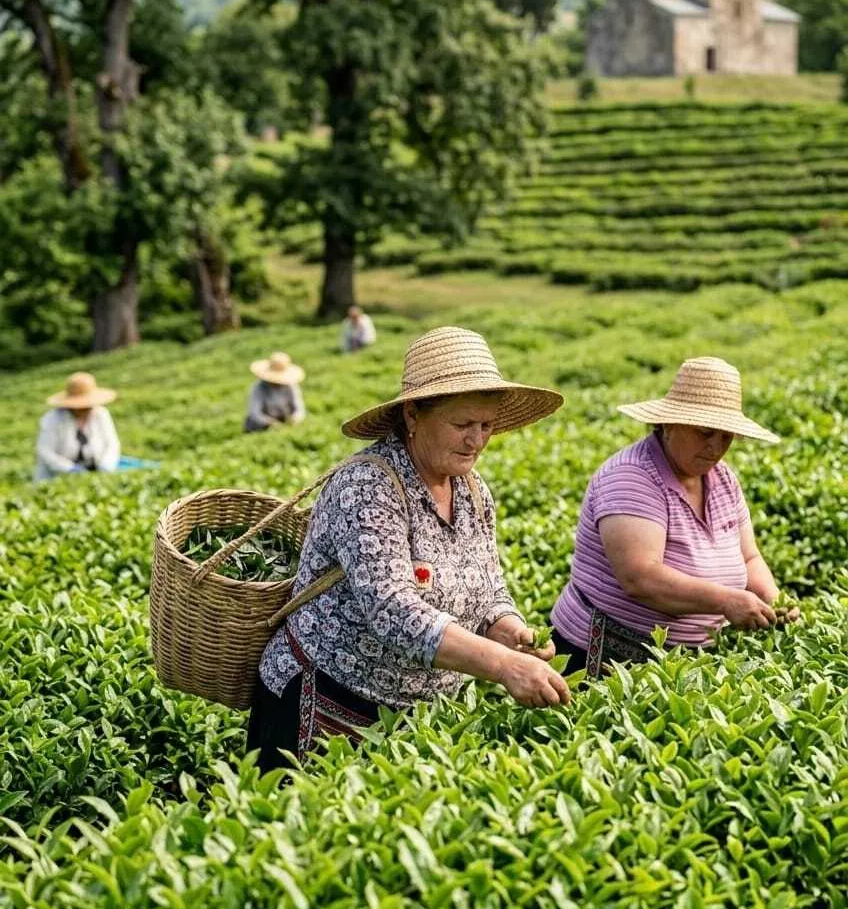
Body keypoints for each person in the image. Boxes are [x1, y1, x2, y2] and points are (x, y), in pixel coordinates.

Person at [249, 326, 569, 771]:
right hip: (323, 701)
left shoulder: (472, 490)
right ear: (413, 415)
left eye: (486, 425)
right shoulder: (368, 485)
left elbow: (489, 585)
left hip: (415, 717)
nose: (476, 441)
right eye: (462, 424)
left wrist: (509, 629)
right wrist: (502, 666)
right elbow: (392, 609)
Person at [550, 356, 799, 678]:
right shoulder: (631, 477)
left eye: (726, 437)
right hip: (602, 660)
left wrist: (774, 599)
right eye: (705, 432)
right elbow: (640, 578)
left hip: (682, 662)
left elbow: (749, 557)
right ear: (669, 423)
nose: (715, 447)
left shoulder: (722, 478)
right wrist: (725, 601)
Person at [34, 372, 120, 481]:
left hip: (95, 470)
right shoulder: (53, 419)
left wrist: (106, 465)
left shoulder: (101, 414)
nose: (85, 409)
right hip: (57, 477)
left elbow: (112, 443)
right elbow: (45, 452)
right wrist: (69, 469)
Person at [244, 352, 306, 433]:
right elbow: (255, 413)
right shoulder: (258, 388)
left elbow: (299, 408)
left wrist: (295, 418)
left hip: (284, 422)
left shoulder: (291, 386)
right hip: (260, 426)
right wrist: (270, 422)